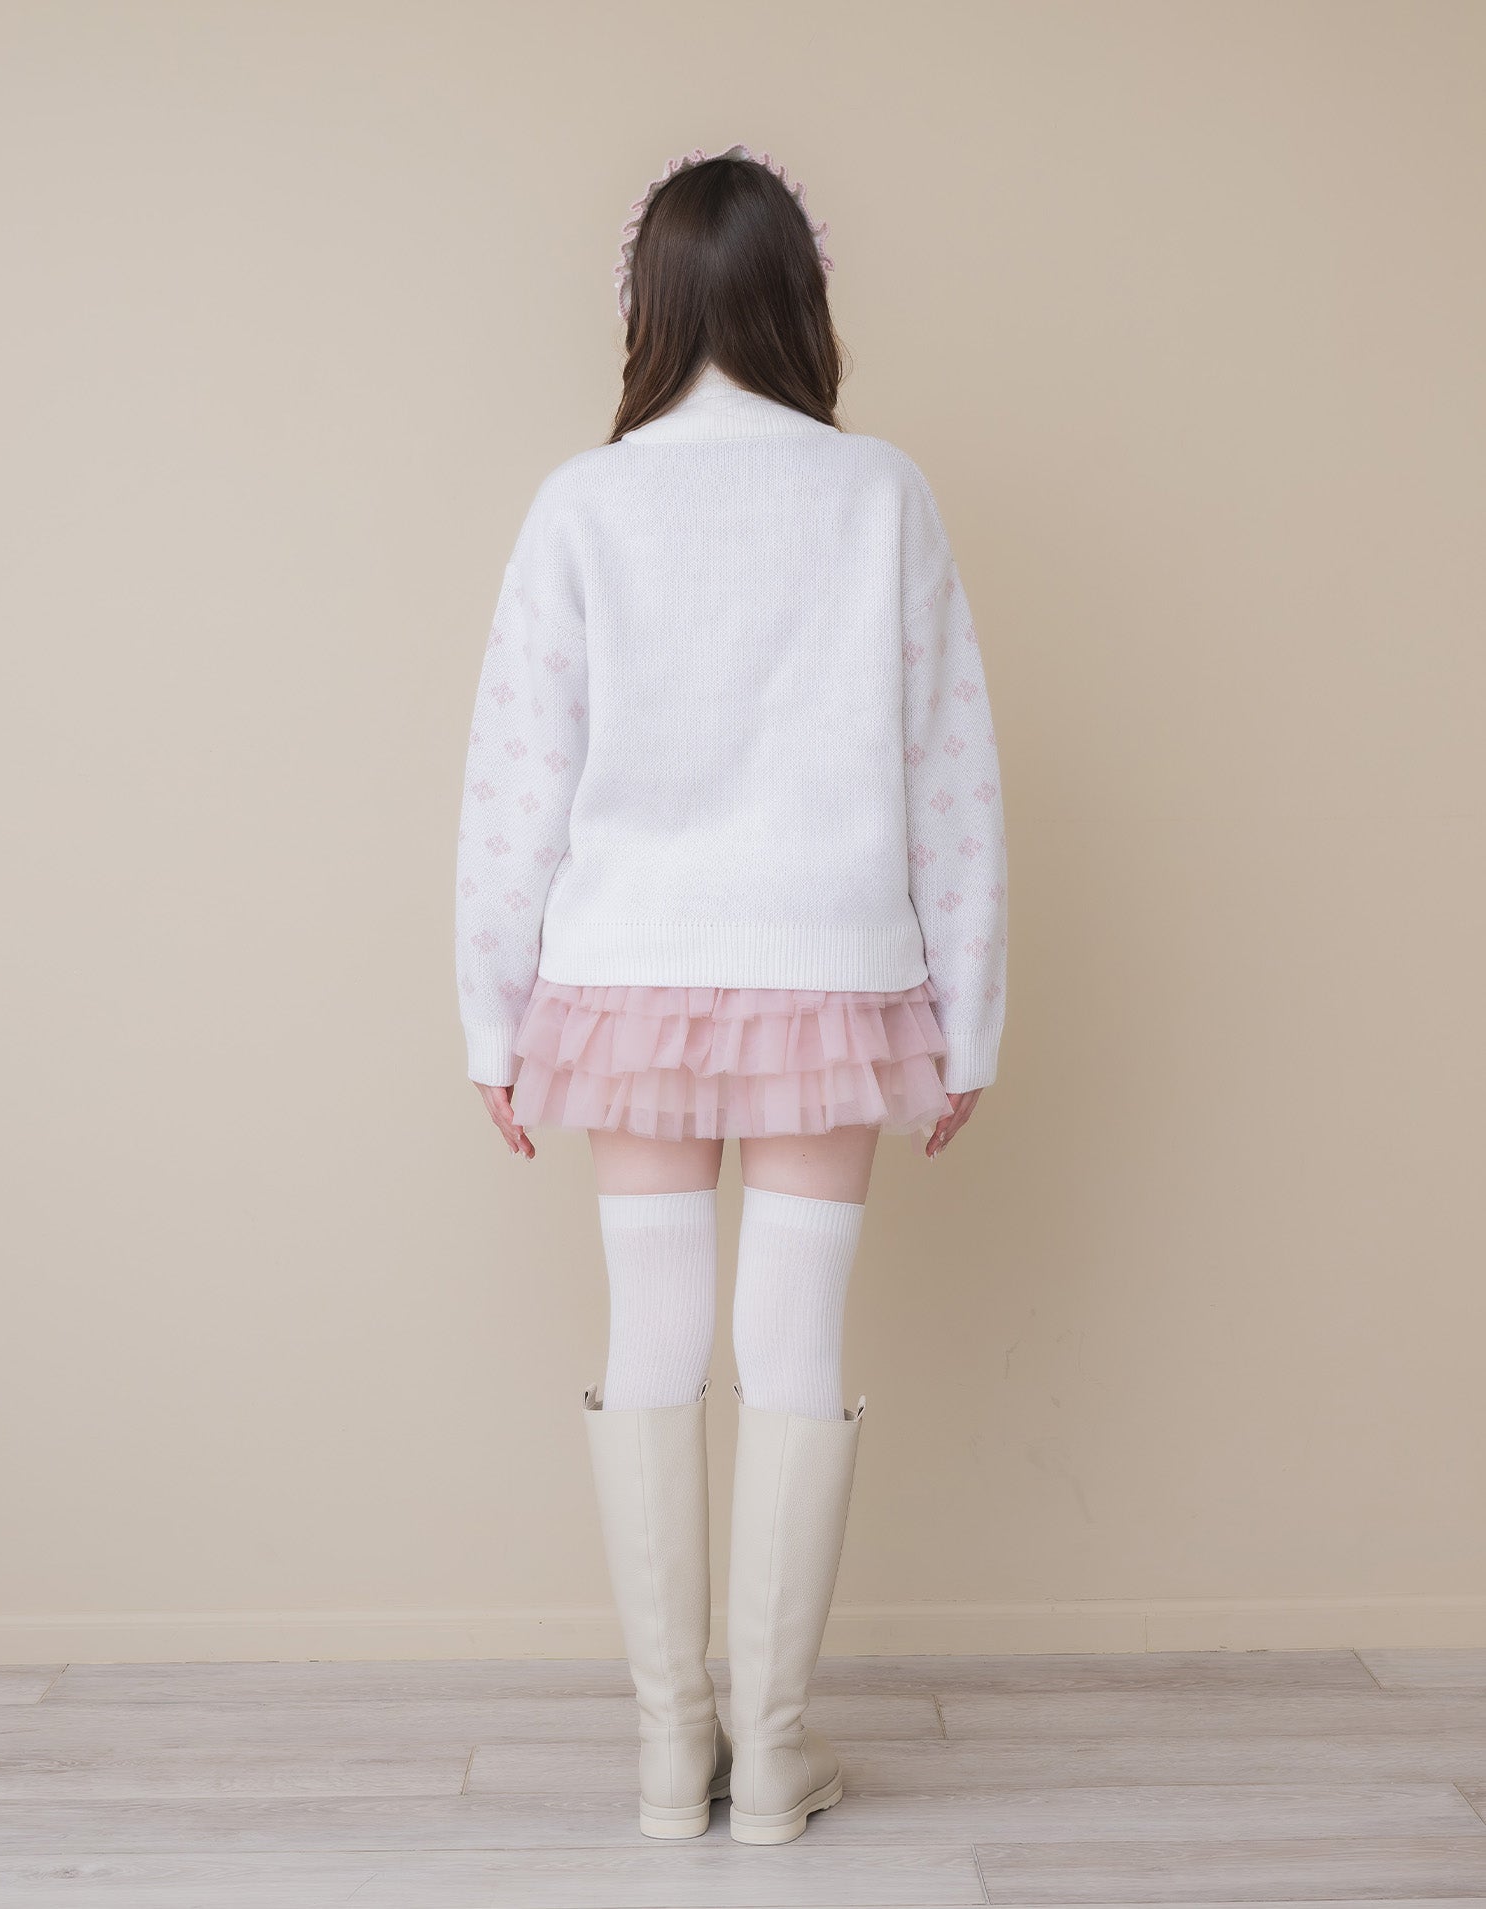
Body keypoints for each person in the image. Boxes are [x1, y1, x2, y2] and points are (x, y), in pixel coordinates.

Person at [454, 142, 1007, 1845]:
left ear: (650, 305)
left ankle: (663, 1754)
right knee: (794, 1341)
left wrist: (493, 1017)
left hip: (625, 971)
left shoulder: (584, 502)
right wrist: (969, 1012)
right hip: (830, 971)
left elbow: (516, 782)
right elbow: (952, 773)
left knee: (654, 1333)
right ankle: (769, 1754)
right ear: (799, 300)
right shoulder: (878, 494)